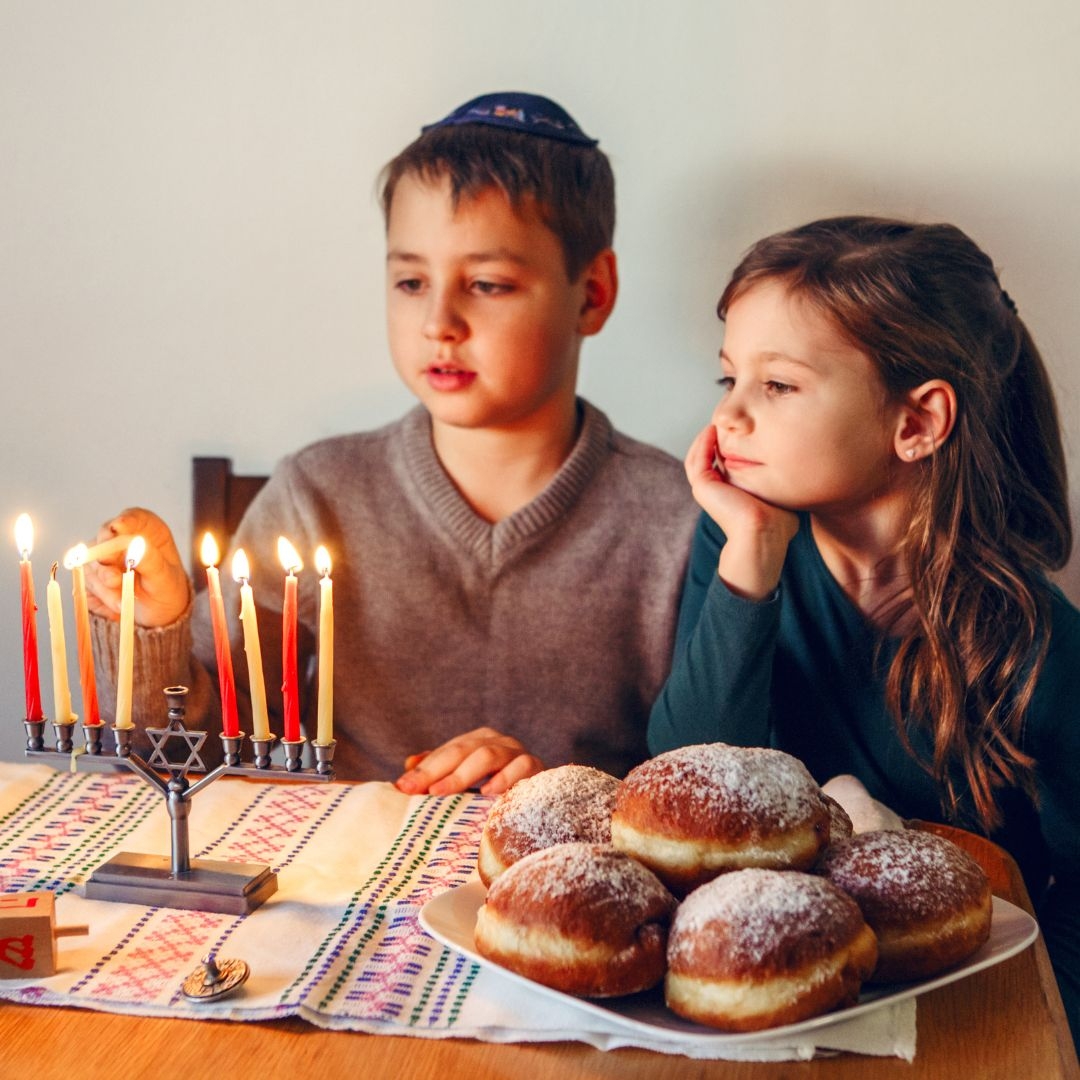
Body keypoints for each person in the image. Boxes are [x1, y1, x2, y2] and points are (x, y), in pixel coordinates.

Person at [84, 91, 699, 795]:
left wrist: (555, 790)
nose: (440, 320)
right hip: (343, 883)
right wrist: (158, 627)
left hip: (569, 883)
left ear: (591, 293)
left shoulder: (679, 522)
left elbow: (709, 779)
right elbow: (187, 753)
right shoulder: (321, 493)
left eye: (489, 284)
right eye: (411, 280)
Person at [648, 215, 1080, 1045]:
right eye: (727, 380)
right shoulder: (743, 543)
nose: (728, 419)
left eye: (776, 387)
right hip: (762, 997)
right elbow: (685, 782)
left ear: (917, 422)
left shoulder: (1037, 644)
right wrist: (752, 553)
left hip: (954, 1018)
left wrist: (1025, 1033)